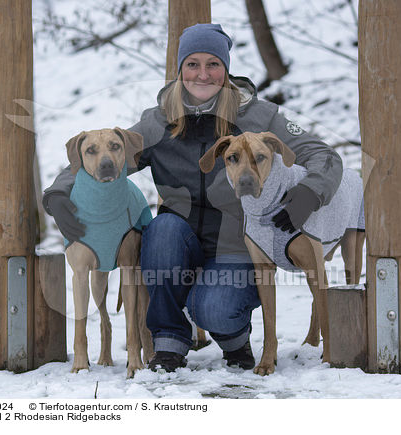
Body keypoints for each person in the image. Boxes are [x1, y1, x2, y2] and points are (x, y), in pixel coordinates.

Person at [43, 23, 343, 372]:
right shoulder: (158, 123)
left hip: (237, 247)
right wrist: (59, 196)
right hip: (177, 245)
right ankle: (169, 342)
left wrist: (309, 193)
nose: (203, 74)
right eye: (193, 64)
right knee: (162, 229)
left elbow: (324, 156)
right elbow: (101, 159)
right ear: (181, 69)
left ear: (226, 70)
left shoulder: (260, 117)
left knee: (215, 307)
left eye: (213, 64)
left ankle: (233, 338)